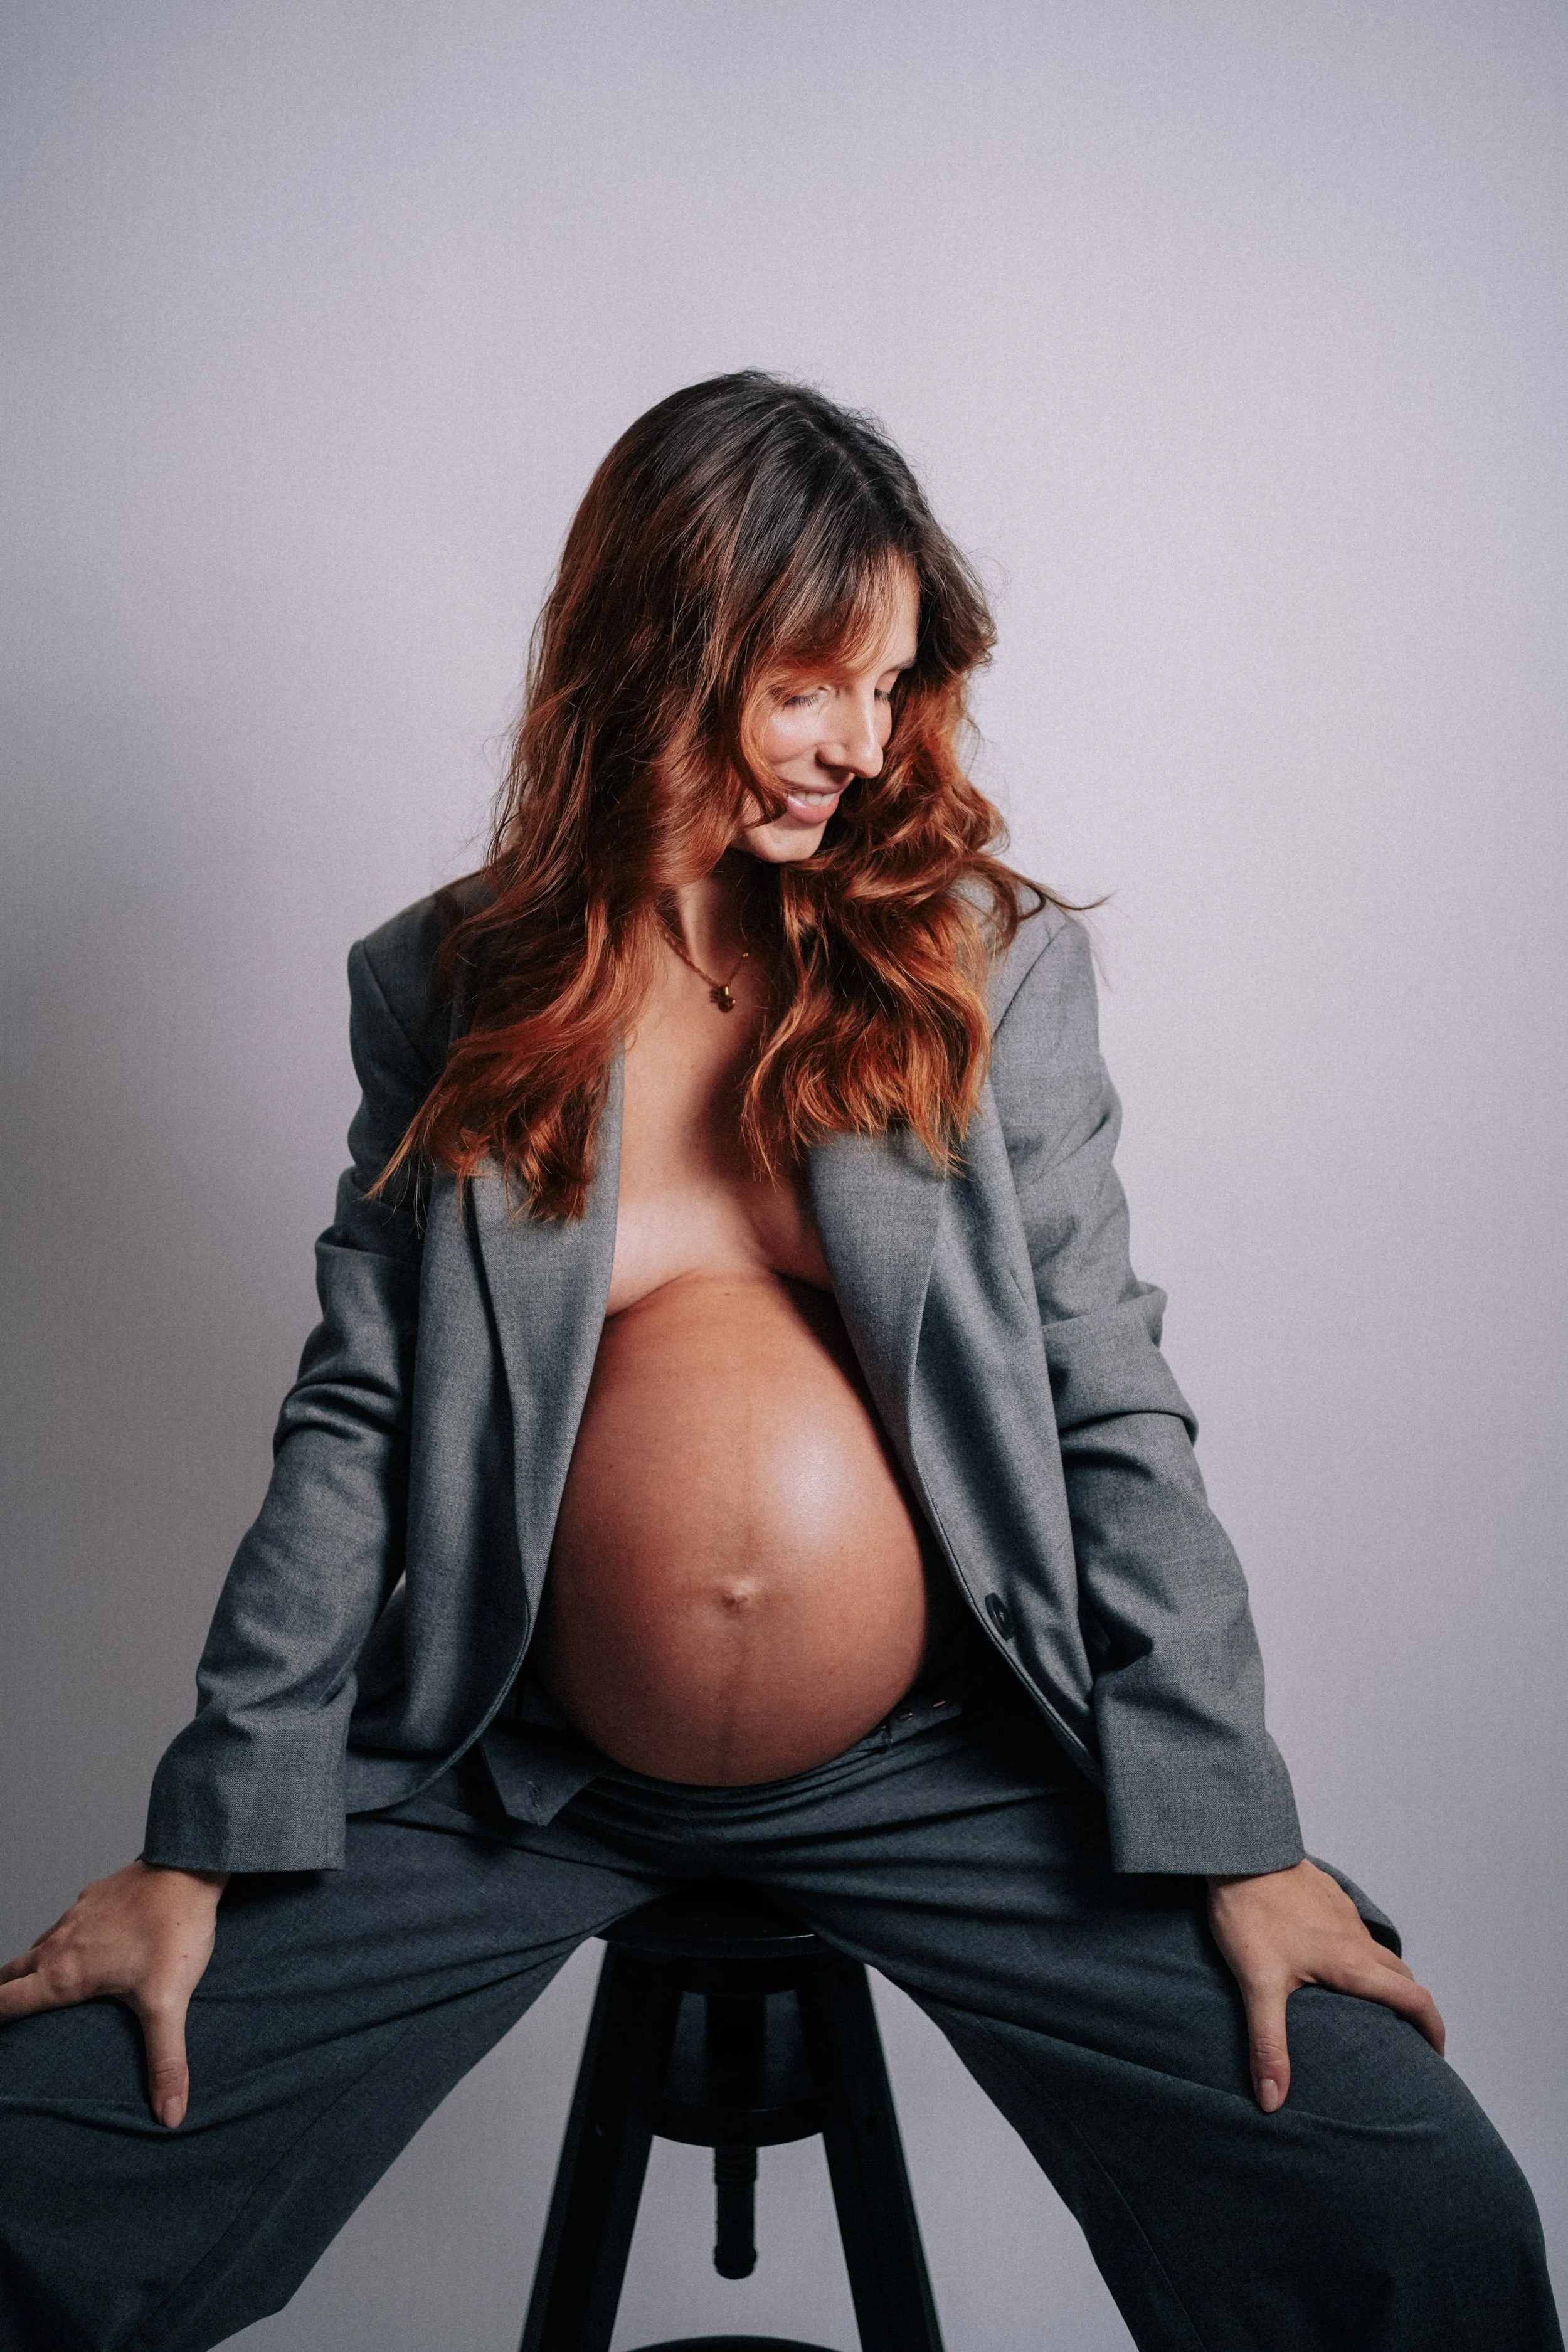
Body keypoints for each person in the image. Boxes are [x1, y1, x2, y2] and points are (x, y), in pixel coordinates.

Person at [0, 371, 1557, 2352]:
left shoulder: (977, 967)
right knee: (45, 2156)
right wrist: (201, 1833)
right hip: (511, 1769)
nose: (864, 742)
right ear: (669, 641)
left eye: (893, 685)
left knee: (1407, 2203)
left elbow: (1106, 1397)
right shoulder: (452, 985)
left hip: (949, 1759)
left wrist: (1236, 1829)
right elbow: (359, 1411)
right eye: (815, 681)